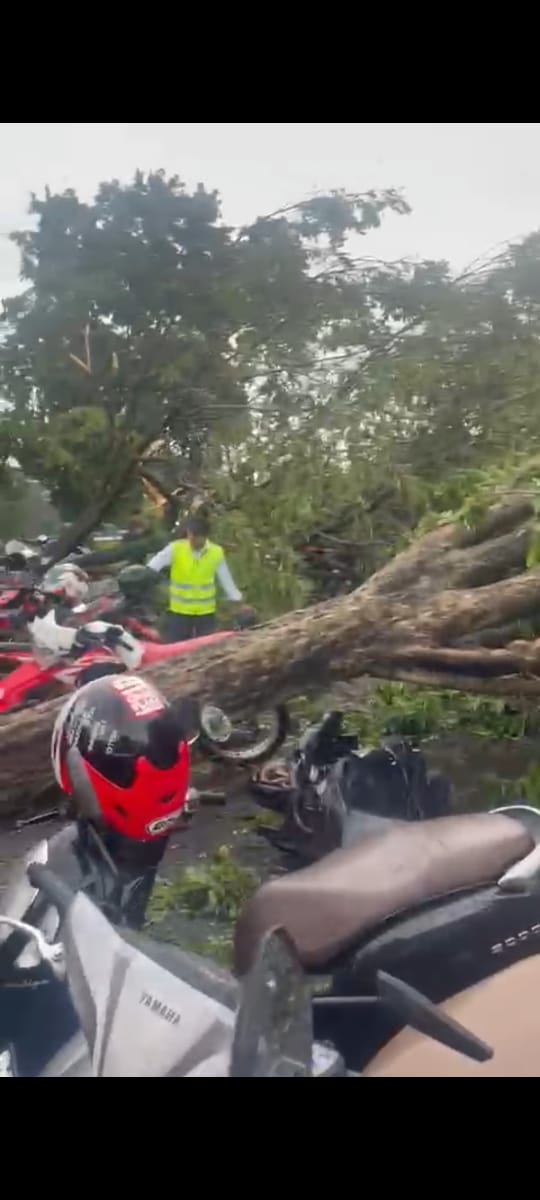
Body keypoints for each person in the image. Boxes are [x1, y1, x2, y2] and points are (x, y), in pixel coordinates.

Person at [146, 514, 246, 641]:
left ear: (204, 537)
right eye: (190, 536)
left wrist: (237, 599)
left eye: (195, 538)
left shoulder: (216, 552)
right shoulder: (175, 548)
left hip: (205, 613)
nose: (191, 540)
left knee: (204, 651)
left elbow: (226, 579)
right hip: (179, 612)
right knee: (176, 651)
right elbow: (151, 567)